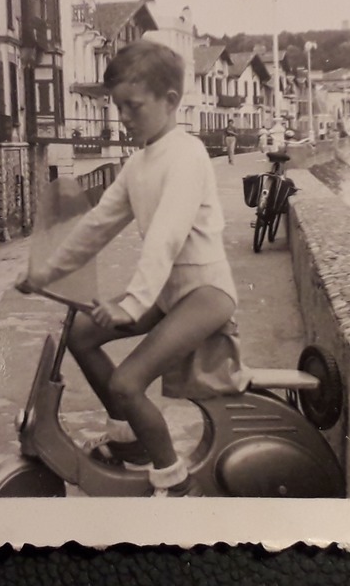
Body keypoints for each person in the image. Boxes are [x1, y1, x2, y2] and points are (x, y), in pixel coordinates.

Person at [15, 40, 234, 497]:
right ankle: (130, 437)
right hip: (171, 293)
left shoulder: (187, 154)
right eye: (118, 108)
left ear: (170, 101)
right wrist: (45, 274)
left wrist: (131, 304)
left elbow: (167, 234)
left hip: (205, 292)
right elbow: (97, 225)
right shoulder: (139, 163)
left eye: (133, 107)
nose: (124, 118)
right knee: (80, 336)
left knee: (128, 381)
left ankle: (174, 483)